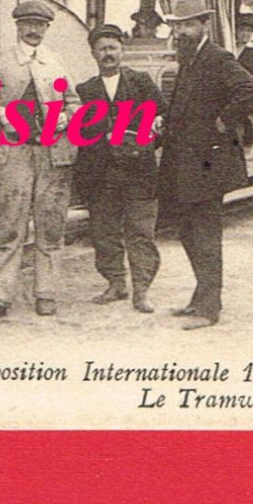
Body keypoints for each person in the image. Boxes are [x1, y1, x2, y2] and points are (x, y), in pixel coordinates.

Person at [155, 0, 253, 330]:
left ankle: (209, 307)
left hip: (208, 162)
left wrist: (223, 121)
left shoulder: (217, 57)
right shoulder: (188, 59)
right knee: (188, 231)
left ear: (205, 25)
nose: (182, 31)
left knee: (205, 233)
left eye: (189, 24)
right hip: (186, 161)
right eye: (178, 25)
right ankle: (200, 298)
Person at [0, 0, 81, 323]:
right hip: (14, 153)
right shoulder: (2, 61)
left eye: (40, 25)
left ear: (47, 28)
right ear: (18, 26)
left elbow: (74, 101)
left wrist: (64, 117)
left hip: (53, 155)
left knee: (50, 225)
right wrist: (0, 112)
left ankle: (46, 293)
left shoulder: (55, 62)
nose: (34, 31)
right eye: (27, 24)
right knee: (8, 225)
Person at [73, 25, 165, 312]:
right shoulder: (85, 90)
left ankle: (142, 290)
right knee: (104, 230)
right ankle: (115, 283)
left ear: (122, 51)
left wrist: (151, 130)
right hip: (102, 173)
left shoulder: (141, 82)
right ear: (93, 54)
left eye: (113, 48)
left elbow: (162, 114)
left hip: (139, 171)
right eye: (102, 49)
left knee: (140, 231)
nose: (108, 54)